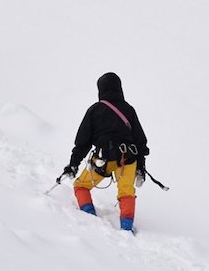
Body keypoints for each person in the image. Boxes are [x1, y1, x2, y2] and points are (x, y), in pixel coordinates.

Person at [58, 72, 150, 232]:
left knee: (81, 186)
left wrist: (73, 165)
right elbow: (140, 141)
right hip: (128, 158)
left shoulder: (94, 110)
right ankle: (127, 228)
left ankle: (89, 217)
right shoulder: (129, 110)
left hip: (103, 158)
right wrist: (141, 167)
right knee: (126, 192)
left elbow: (82, 142)